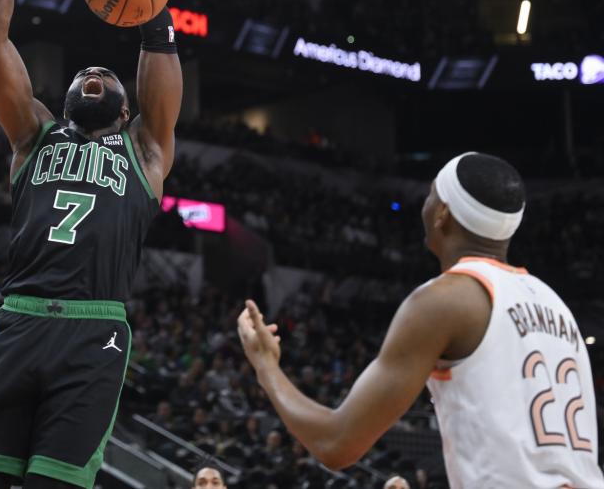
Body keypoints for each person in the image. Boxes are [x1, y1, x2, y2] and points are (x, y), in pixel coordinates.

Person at [0, 0, 182, 489]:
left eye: (105, 77)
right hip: (18, 319)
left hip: (94, 329)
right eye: (82, 75)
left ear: (127, 110)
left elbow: (163, 58)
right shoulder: (32, 138)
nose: (93, 73)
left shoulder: (145, 151)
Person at [238, 152, 604, 488]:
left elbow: (337, 443)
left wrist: (266, 366)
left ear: (442, 213)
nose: (424, 205)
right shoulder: (555, 304)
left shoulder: (443, 300)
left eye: (430, 195)